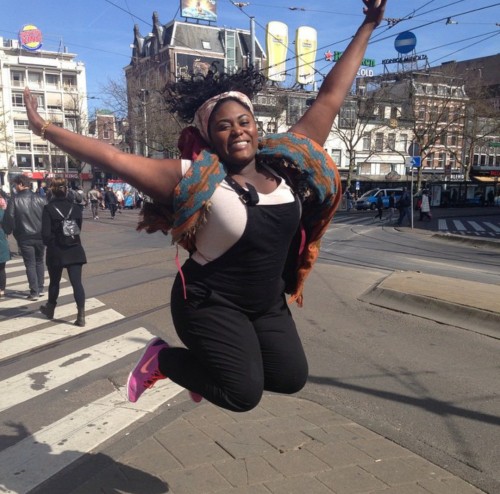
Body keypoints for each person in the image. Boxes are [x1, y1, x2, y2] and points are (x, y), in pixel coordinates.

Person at [23, 0, 387, 412]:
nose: (236, 130)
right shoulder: (195, 177)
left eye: (243, 121)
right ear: (209, 136)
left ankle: (206, 369)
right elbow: (113, 158)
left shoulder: (285, 163)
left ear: (256, 124)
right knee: (242, 394)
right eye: (223, 125)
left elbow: (329, 97)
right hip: (208, 301)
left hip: (267, 302)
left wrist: (368, 25)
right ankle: (162, 358)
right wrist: (45, 129)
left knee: (289, 378)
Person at [39, 178, 87, 326]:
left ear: (52, 191)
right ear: (66, 190)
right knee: (76, 283)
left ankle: (50, 308)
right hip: (75, 248)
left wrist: (51, 243)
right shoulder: (76, 207)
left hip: (56, 250)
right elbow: (78, 227)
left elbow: (45, 234)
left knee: (54, 282)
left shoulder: (48, 209)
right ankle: (81, 316)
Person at [2, 174, 46, 300]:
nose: (15, 187)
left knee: (30, 264)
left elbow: (9, 217)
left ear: (21, 184)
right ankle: (41, 288)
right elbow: (47, 216)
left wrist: (7, 230)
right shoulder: (40, 198)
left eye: (16, 184)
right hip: (41, 235)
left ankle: (34, 291)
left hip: (24, 236)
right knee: (39, 261)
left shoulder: (14, 200)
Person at [0, 197, 11, 298]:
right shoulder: (3, 214)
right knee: (1, 268)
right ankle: (2, 289)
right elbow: (8, 229)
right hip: (2, 241)